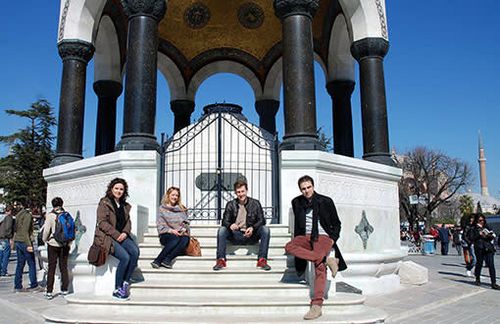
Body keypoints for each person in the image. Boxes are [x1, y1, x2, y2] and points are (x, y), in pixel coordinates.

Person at [285, 175, 347, 320]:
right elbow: (298, 225)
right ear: (300, 190)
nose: (306, 191)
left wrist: (332, 240)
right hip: (305, 236)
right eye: (303, 189)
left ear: (313, 186)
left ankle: (317, 304)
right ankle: (327, 260)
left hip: (323, 236)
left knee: (318, 266)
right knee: (289, 246)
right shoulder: (297, 202)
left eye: (309, 187)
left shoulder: (326, 201)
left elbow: (337, 223)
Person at [94, 178, 139, 300]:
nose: (119, 191)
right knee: (125, 257)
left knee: (135, 252)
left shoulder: (124, 205)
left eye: (121, 189)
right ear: (111, 189)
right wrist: (116, 234)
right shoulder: (104, 203)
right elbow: (102, 222)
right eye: (116, 188)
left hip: (122, 235)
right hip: (108, 237)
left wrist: (125, 232)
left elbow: (128, 222)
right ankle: (117, 288)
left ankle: (125, 281)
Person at [213, 179, 271, 271]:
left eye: (242, 191)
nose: (241, 194)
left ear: (247, 191)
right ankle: (221, 260)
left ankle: (262, 259)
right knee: (222, 230)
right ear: (235, 193)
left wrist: (253, 228)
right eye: (238, 192)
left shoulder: (255, 203)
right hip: (236, 235)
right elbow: (224, 221)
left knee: (265, 229)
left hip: (251, 235)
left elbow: (262, 220)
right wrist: (230, 225)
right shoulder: (231, 204)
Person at [151, 187, 190, 269]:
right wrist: (171, 230)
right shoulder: (162, 208)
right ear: (168, 195)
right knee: (174, 239)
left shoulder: (182, 209)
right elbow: (160, 225)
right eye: (173, 195)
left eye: (177, 195)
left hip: (180, 234)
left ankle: (167, 260)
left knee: (185, 239)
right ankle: (158, 260)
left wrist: (183, 229)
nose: (175, 197)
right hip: (166, 234)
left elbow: (186, 223)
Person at [41, 197, 70, 300]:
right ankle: (65, 289)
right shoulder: (66, 214)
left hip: (53, 244)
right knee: (64, 267)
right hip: (65, 245)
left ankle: (49, 291)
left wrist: (45, 240)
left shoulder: (50, 216)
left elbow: (46, 231)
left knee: (51, 268)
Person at [13, 203, 40, 292]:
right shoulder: (28, 216)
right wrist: (29, 245)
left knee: (20, 264)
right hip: (24, 241)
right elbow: (25, 231)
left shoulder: (19, 214)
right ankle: (34, 284)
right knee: (31, 263)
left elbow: (16, 229)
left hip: (18, 240)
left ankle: (17, 286)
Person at [471, 214, 500, 290]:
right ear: (477, 220)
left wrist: (490, 235)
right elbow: (471, 238)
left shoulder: (487, 227)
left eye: (483, 220)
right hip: (479, 247)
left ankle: (493, 283)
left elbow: (493, 234)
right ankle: (477, 278)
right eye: (480, 220)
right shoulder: (474, 228)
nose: (482, 222)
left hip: (488, 247)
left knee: (491, 265)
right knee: (479, 263)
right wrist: (479, 235)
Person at [0, 205, 14, 276]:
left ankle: (0, 270)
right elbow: (8, 228)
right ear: (10, 211)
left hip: (0, 238)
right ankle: (4, 271)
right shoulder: (8, 218)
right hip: (6, 238)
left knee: (1, 255)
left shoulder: (2, 217)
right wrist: (10, 237)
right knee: (6, 255)